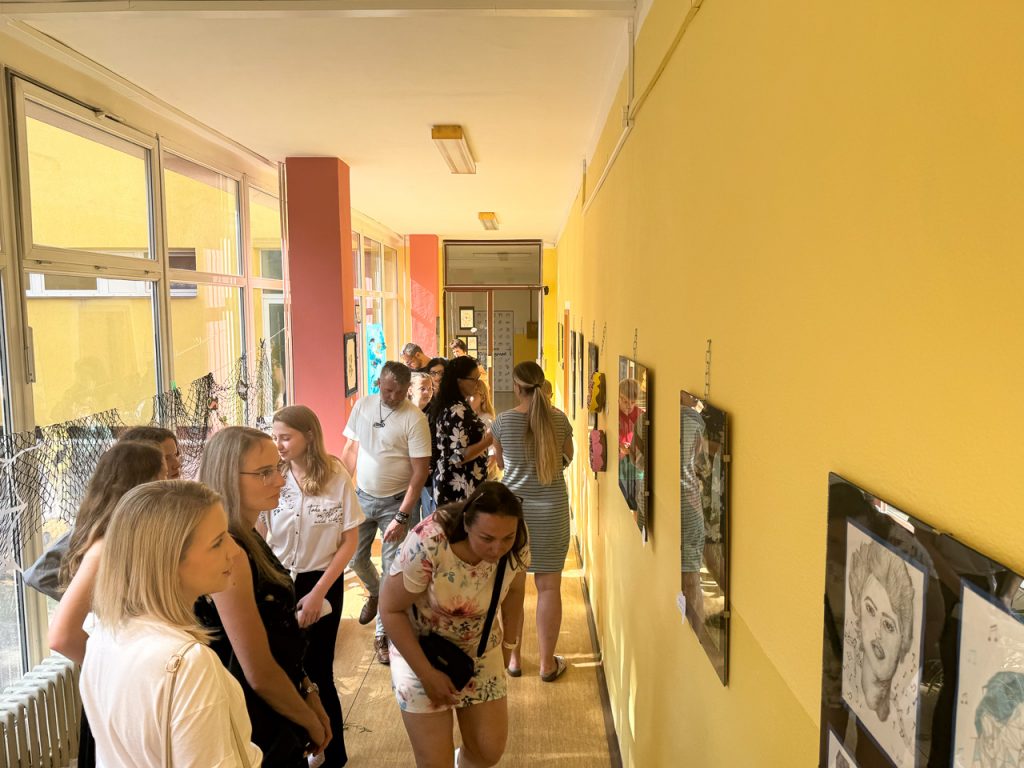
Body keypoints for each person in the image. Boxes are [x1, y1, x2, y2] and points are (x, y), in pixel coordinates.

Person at [80, 481, 262, 767]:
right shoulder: (189, 663)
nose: (235, 551)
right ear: (168, 560)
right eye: (217, 542)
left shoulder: (102, 636)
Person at [196, 426, 330, 767]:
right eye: (264, 473)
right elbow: (257, 670)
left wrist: (307, 688)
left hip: (278, 699)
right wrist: (309, 720)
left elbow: (277, 638)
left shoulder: (249, 535)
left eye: (278, 469)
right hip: (256, 719)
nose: (280, 481)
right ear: (228, 476)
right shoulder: (230, 551)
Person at [380, 482, 528, 768]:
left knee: (488, 750)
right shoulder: (429, 541)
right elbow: (389, 609)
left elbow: (516, 589)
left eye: (506, 538)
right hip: (420, 650)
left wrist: (509, 645)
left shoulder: (517, 538)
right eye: (487, 538)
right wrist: (426, 674)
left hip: (480, 647)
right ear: (467, 524)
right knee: (435, 761)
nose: (497, 548)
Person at [48, 440, 166, 768]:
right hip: (123, 691)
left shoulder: (130, 540)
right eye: (163, 476)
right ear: (139, 485)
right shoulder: (105, 548)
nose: (170, 484)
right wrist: (116, 669)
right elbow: (61, 636)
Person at [266, 405, 365, 768]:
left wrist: (318, 592)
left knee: (319, 669)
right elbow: (260, 532)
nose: (278, 445)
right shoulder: (272, 475)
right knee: (281, 669)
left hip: (321, 580)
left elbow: (349, 541)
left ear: (308, 435)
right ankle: (296, 752)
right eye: (275, 437)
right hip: (277, 578)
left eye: (285, 437)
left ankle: (332, 756)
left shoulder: (335, 474)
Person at [342, 361, 432, 664]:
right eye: (388, 390)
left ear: (407, 390)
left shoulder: (414, 419)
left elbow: (420, 472)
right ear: (378, 383)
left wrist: (403, 516)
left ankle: (383, 635)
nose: (392, 397)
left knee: (393, 568)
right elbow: (351, 450)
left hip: (397, 502)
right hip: (362, 497)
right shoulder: (363, 406)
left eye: (399, 392)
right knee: (354, 557)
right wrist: (340, 490)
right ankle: (375, 592)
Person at [490, 361, 574, 682]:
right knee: (549, 587)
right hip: (552, 512)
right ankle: (547, 665)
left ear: (516, 387)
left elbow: (500, 464)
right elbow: (567, 458)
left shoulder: (502, 422)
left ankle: (513, 660)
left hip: (515, 513)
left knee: (513, 589)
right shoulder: (559, 420)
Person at [430, 356, 491, 506]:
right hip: (458, 485)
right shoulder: (457, 411)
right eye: (474, 379)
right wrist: (489, 440)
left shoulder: (455, 406)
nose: (477, 384)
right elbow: (457, 457)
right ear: (459, 381)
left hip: (461, 482)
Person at [469, 376, 500, 481]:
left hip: (483, 477)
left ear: (482, 398)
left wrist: (483, 475)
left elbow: (493, 454)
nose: (468, 399)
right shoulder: (468, 417)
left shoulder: (487, 420)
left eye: (473, 395)